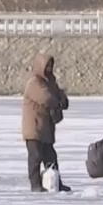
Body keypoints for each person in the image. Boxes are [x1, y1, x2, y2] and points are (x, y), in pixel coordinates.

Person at [21, 53, 70, 192]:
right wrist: (58, 102)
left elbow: (57, 93)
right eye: (46, 66)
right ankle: (35, 184)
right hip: (34, 128)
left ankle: (57, 183)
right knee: (35, 156)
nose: (49, 68)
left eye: (50, 65)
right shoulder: (34, 82)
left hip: (45, 127)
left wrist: (63, 99)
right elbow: (45, 97)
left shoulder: (50, 82)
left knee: (51, 157)